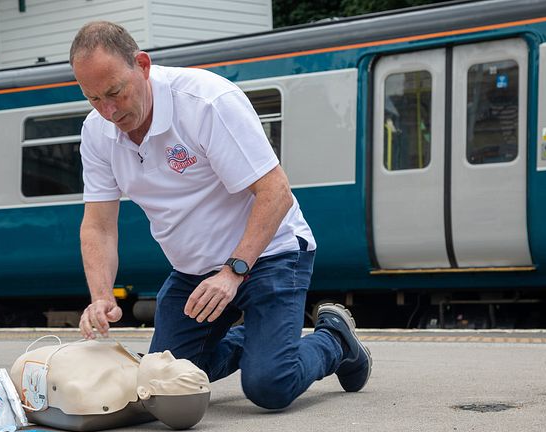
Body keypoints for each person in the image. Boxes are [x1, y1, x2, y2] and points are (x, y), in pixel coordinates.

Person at [70, 21, 372, 409]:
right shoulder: (96, 132)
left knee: (269, 385)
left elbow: (275, 192)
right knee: (163, 380)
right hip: (194, 272)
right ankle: (266, 341)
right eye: (93, 98)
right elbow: (98, 225)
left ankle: (335, 339)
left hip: (269, 255)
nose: (108, 110)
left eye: (115, 92)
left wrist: (233, 272)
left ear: (142, 65)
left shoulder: (206, 101)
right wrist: (100, 297)